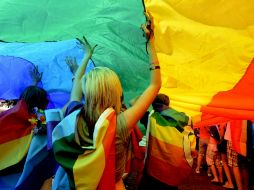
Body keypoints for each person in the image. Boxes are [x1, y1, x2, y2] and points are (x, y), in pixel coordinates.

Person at [53, 13, 161, 190]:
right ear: (116, 92)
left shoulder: (73, 117)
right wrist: (151, 42)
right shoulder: (120, 123)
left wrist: (87, 55)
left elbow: (77, 85)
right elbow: (155, 84)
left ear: (88, 92)